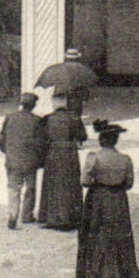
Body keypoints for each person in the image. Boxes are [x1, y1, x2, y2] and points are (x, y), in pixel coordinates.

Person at [76, 120, 139, 278]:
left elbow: (84, 181)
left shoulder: (93, 158)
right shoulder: (125, 159)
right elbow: (129, 184)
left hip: (98, 198)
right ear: (115, 140)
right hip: (118, 199)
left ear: (101, 140)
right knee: (119, 232)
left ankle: (95, 272)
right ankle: (122, 272)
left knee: (96, 231)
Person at [36, 93, 87, 230]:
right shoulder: (74, 117)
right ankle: (73, 217)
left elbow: (41, 138)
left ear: (53, 103)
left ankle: (52, 217)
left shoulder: (47, 119)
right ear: (65, 102)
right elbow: (83, 136)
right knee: (71, 182)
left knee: (53, 183)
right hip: (70, 153)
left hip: (53, 153)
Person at [0, 92, 46, 230]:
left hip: (12, 159)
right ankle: (26, 215)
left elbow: (1, 139)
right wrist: (40, 159)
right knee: (30, 188)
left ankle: (13, 215)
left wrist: (8, 152)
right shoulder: (37, 120)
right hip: (30, 160)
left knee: (14, 188)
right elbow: (40, 143)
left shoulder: (10, 117)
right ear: (33, 105)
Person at [36, 47, 96, 119]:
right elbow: (85, 87)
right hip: (75, 98)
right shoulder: (82, 69)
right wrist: (85, 98)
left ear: (66, 57)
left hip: (60, 96)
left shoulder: (57, 68)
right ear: (78, 57)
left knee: (60, 117)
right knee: (75, 118)